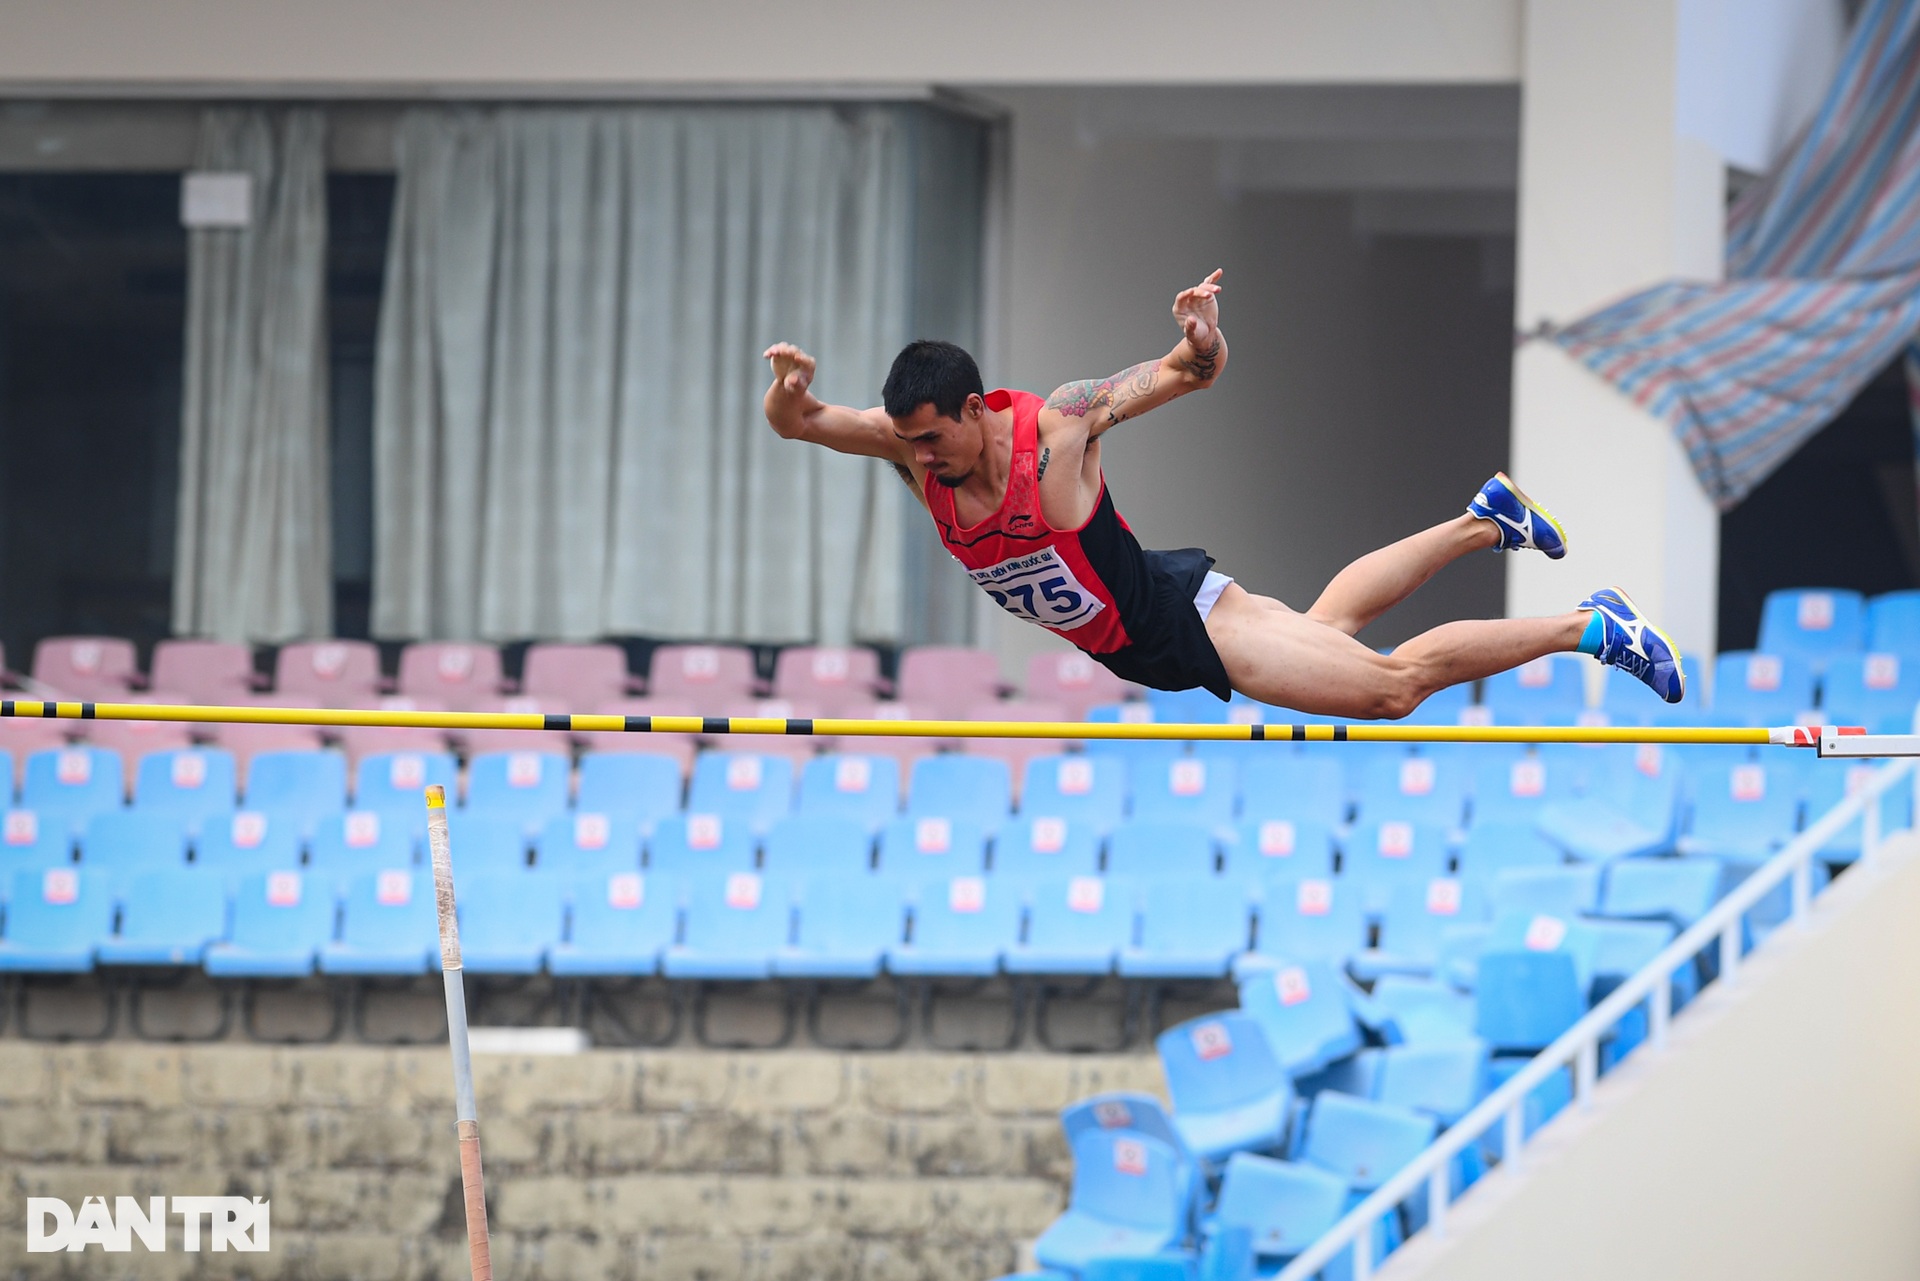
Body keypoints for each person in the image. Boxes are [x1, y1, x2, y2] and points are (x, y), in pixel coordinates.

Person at [760, 270, 1684, 718]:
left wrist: (1203, 336)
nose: (921, 461)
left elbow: (1184, 374)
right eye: (908, 445)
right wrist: (789, 395)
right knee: (1328, 631)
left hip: (1185, 623)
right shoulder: (911, 448)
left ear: (973, 409)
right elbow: (801, 425)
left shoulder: (1063, 427)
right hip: (1154, 628)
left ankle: (1589, 626)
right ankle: (1485, 521)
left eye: (932, 441)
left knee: (1395, 689)